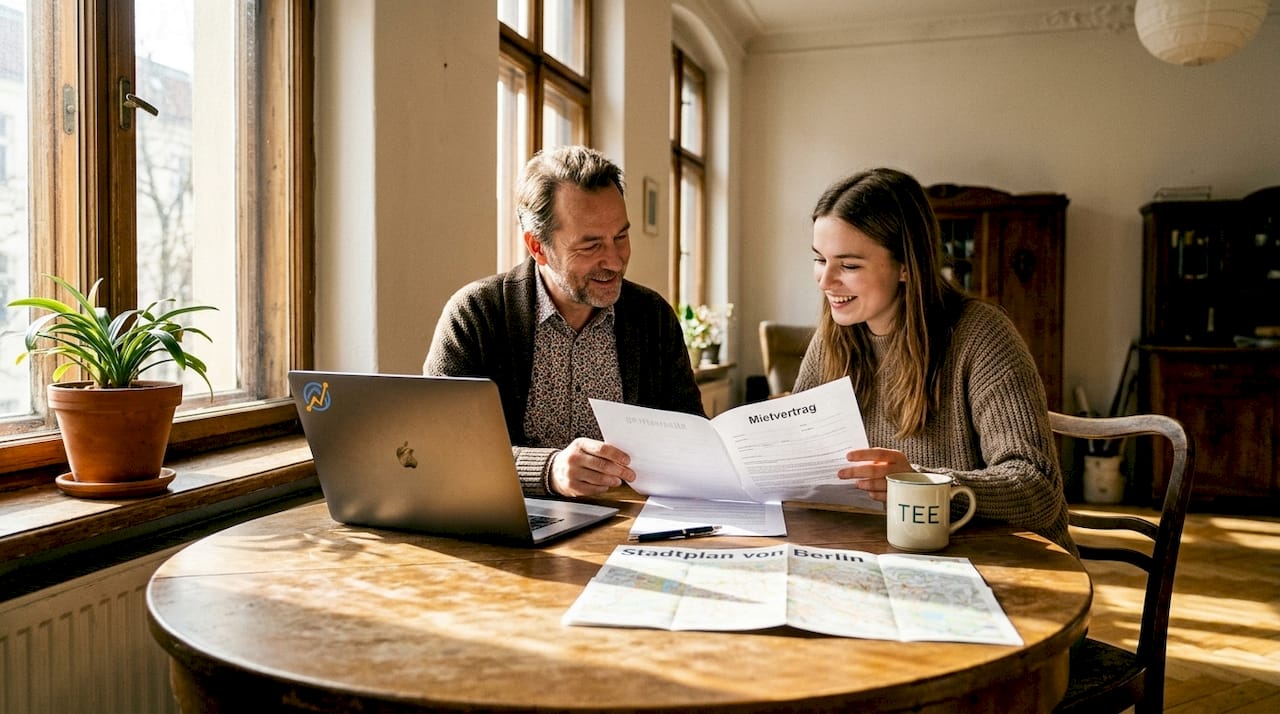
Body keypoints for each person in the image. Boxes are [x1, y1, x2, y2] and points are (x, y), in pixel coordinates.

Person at [794, 167, 1077, 556]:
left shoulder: (981, 334)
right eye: (819, 259)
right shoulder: (832, 339)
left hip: (1000, 563)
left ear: (906, 265)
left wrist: (920, 482)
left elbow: (1036, 487)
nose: (825, 281)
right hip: (882, 554)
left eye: (849, 265)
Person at [424, 145, 705, 499]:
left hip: (631, 525)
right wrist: (548, 471)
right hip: (508, 527)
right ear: (537, 246)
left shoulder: (652, 316)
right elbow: (441, 448)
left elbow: (693, 438)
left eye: (620, 236)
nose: (615, 261)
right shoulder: (476, 315)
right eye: (590, 246)